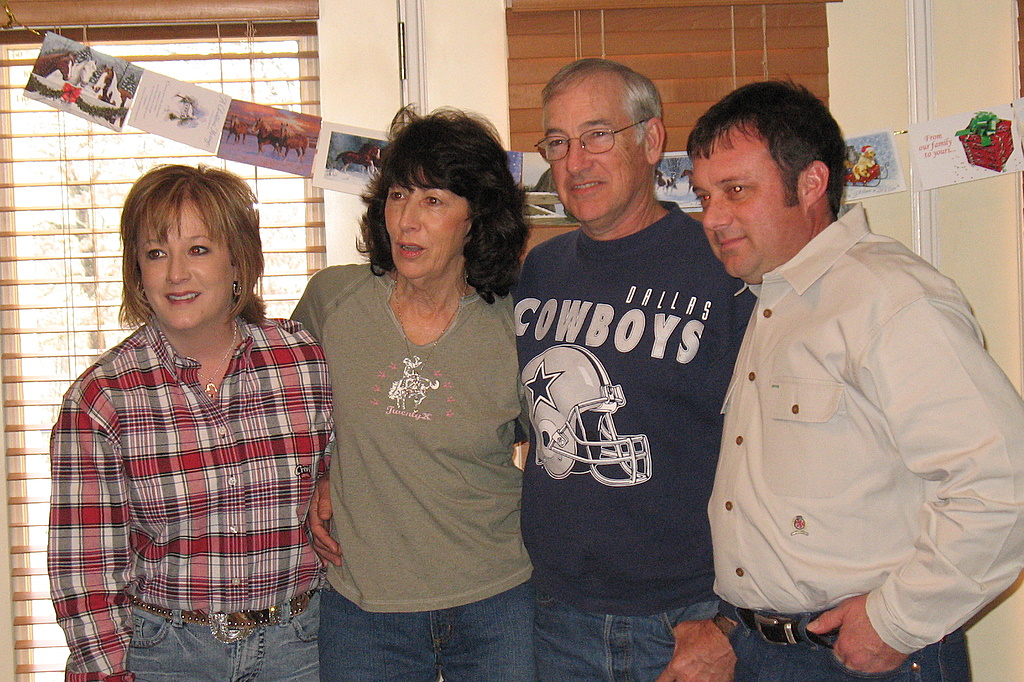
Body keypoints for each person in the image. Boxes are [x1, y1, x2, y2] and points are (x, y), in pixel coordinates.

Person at [688, 80, 1024, 681]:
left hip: (866, 657)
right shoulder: (773, 299)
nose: (712, 217)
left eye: (736, 190)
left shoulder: (889, 297)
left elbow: (1006, 484)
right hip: (766, 651)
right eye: (704, 195)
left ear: (811, 184)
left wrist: (898, 622)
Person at [48, 164, 334, 682]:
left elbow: (351, 470)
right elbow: (85, 566)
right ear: (137, 271)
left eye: (198, 250)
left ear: (238, 261)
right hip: (165, 654)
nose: (176, 274)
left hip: (302, 646)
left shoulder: (304, 361)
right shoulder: (101, 399)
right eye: (156, 254)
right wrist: (104, 672)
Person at [514, 58, 752, 681]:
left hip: (688, 619)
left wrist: (731, 620)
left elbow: (780, 460)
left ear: (651, 141)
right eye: (558, 142)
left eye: (597, 135)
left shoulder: (723, 265)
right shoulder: (538, 271)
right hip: (551, 614)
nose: (574, 161)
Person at [292, 107, 533, 681]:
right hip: (365, 608)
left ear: (476, 219)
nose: (406, 221)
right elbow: (285, 413)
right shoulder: (332, 302)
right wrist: (320, 473)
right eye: (398, 196)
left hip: (495, 600)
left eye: (433, 201)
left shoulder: (517, 323)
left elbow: (557, 456)